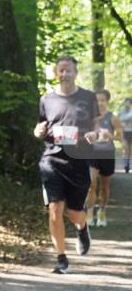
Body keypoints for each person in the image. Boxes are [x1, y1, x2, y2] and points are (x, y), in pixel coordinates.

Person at [33, 55, 100, 274]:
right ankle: (61, 258)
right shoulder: (46, 100)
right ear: (56, 73)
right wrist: (38, 132)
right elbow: (39, 127)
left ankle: (82, 227)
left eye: (68, 70)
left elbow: (97, 127)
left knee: (74, 213)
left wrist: (94, 134)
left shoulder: (88, 98)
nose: (65, 74)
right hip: (52, 160)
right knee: (54, 208)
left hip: (79, 160)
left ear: (76, 72)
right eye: (61, 70)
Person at [87, 89, 122, 226]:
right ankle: (89, 213)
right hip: (91, 153)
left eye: (102, 100)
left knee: (105, 186)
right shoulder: (89, 118)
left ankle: (102, 211)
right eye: (97, 100)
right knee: (91, 184)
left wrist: (110, 136)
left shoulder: (113, 118)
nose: (99, 103)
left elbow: (119, 136)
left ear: (107, 101)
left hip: (107, 154)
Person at [120, 97, 132, 174]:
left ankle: (128, 164)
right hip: (124, 132)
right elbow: (119, 120)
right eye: (125, 102)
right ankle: (126, 166)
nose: (126, 104)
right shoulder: (121, 112)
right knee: (126, 150)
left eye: (128, 102)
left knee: (130, 151)